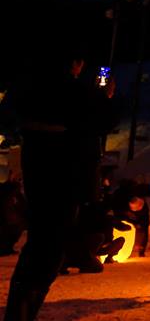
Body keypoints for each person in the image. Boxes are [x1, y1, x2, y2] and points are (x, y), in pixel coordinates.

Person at [4, 46, 119, 321]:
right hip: (65, 177)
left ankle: (19, 311)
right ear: (75, 64)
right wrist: (105, 97)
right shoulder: (70, 91)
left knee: (41, 246)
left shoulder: (30, 88)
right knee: (47, 251)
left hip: (41, 175)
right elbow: (100, 121)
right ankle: (20, 313)